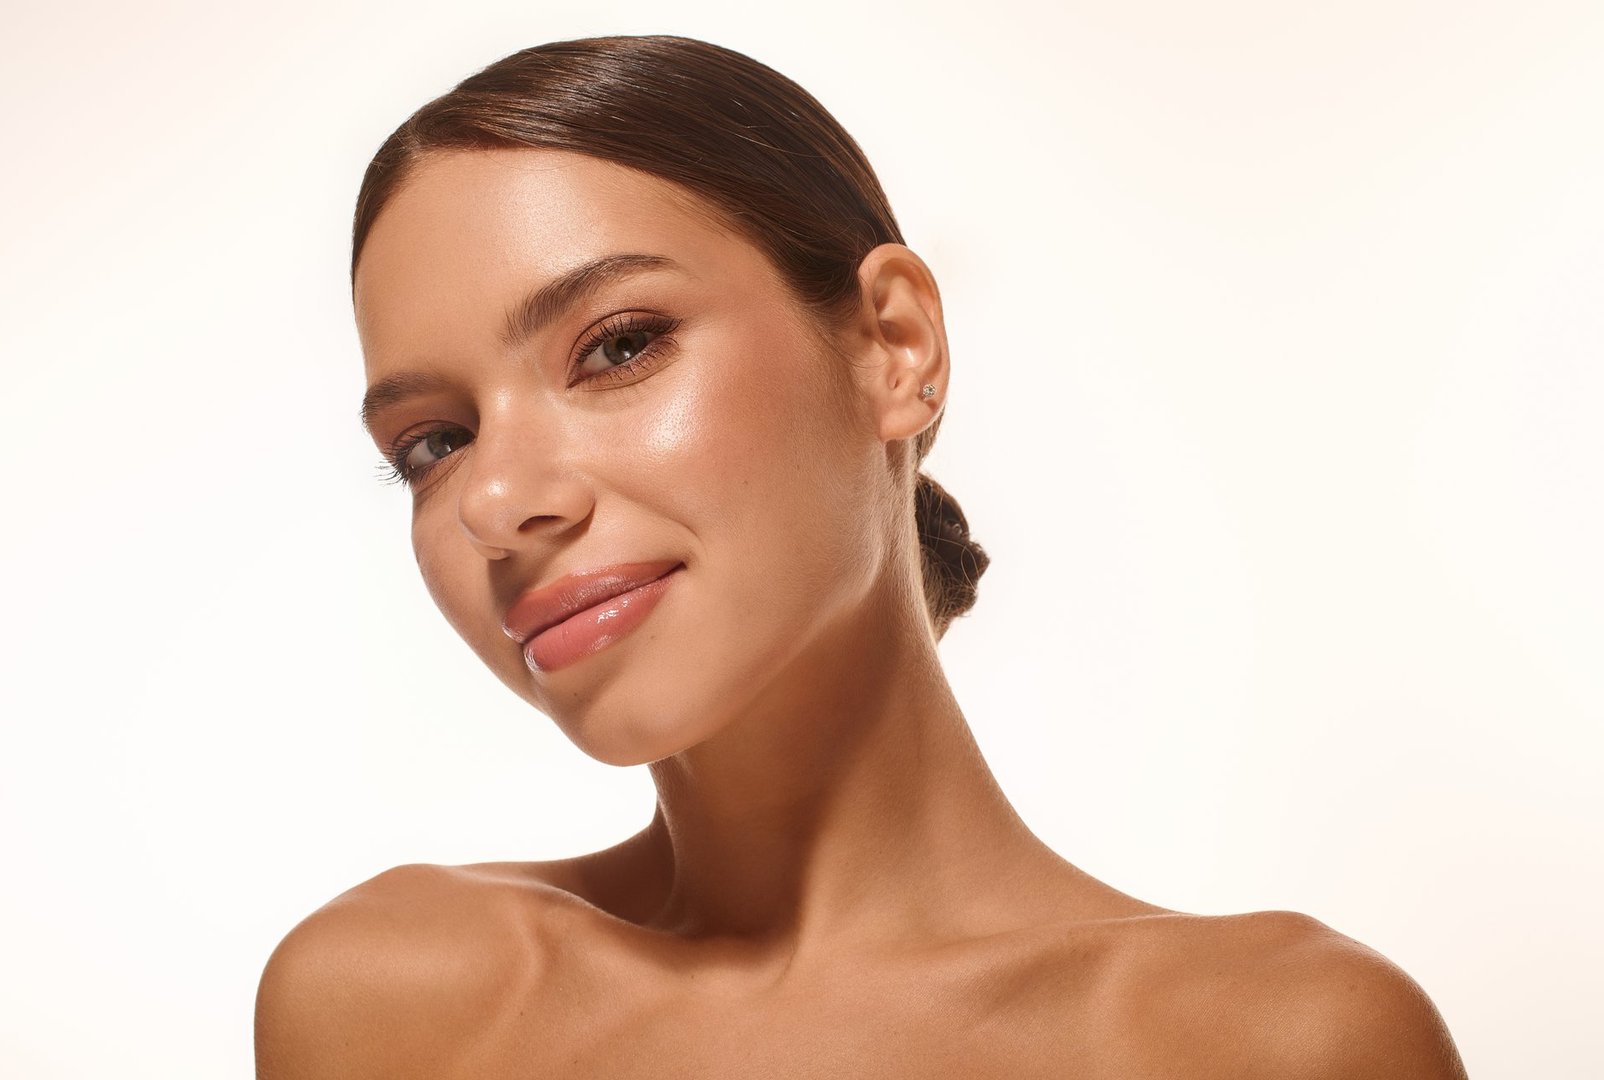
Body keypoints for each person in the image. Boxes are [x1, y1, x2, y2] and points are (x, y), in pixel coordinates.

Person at [255, 34, 1469, 1078]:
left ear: (894, 344)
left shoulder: (1268, 1045)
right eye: (434, 444)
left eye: (618, 347)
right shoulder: (391, 1006)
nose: (499, 501)